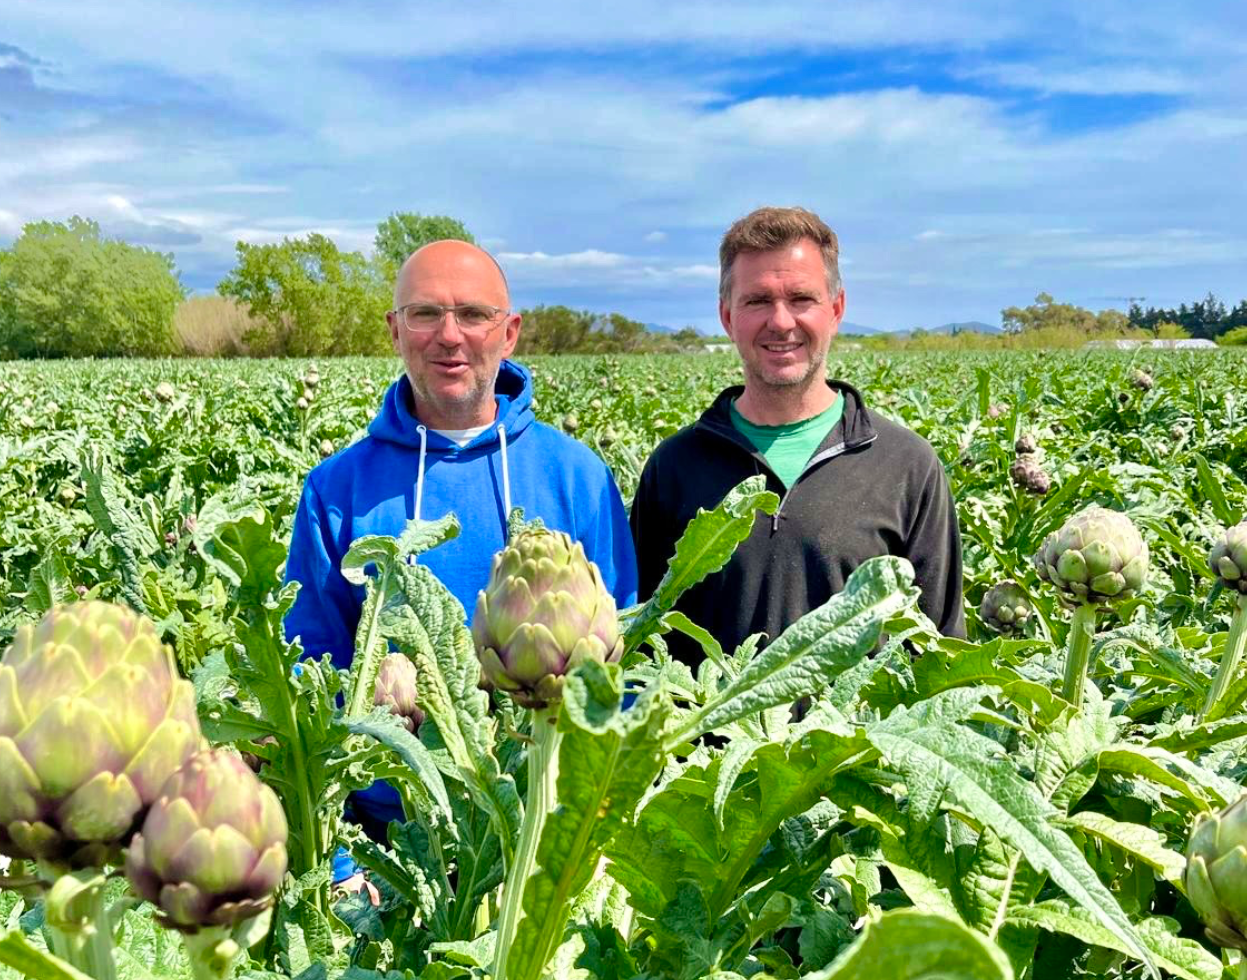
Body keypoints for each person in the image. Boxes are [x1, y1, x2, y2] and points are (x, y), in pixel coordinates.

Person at [285, 238, 637, 859]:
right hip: (386, 849)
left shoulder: (578, 476)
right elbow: (305, 691)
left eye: (473, 314)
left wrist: (590, 841)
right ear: (395, 330)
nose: (450, 335)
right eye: (425, 314)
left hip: (545, 835)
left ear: (510, 333)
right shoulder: (335, 492)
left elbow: (622, 676)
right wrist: (340, 863)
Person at [630, 206, 965, 651]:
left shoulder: (906, 466)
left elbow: (938, 646)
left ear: (836, 309)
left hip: (858, 725)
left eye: (801, 299)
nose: (782, 322)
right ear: (728, 317)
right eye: (758, 301)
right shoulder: (673, 468)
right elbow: (639, 642)